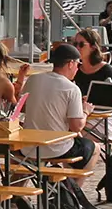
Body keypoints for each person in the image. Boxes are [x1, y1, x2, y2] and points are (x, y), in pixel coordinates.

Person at [19, 43, 99, 185]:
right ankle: (74, 192)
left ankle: (17, 194)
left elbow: (24, 107)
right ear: (70, 63)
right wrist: (85, 110)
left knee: (25, 161)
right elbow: (76, 127)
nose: (78, 68)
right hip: (56, 149)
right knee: (95, 148)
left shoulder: (33, 79)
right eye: (77, 64)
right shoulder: (72, 88)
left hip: (29, 147)